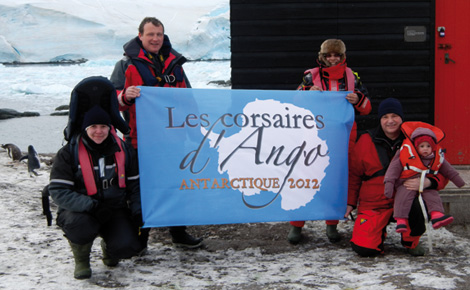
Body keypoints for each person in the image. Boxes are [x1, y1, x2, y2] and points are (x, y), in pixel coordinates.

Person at [109, 17, 202, 249]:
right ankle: (141, 237)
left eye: (159, 34)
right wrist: (124, 96)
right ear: (140, 36)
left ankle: (178, 232)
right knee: (141, 190)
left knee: (174, 186)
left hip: (172, 140)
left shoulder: (175, 64)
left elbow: (187, 99)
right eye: (150, 34)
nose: (155, 39)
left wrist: (195, 133)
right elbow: (112, 99)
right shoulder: (126, 65)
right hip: (140, 141)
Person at [288, 39, 372, 244]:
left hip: (343, 136)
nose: (332, 59)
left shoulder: (353, 77)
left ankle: (331, 225)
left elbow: (367, 107)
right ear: (322, 57)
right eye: (328, 55)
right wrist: (307, 93)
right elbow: (293, 101)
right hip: (312, 136)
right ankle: (296, 225)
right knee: (304, 179)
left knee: (335, 181)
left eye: (336, 55)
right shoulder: (310, 76)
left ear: (342, 57)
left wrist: (358, 100)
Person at [345, 98, 449, 257]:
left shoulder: (418, 141)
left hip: (405, 199)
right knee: (364, 249)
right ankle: (377, 233)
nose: (390, 121)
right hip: (374, 203)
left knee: (421, 205)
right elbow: (354, 175)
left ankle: (410, 240)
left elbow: (441, 170)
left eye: (395, 116)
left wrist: (428, 182)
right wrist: (350, 202)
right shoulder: (365, 140)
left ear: (402, 118)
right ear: (380, 120)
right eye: (385, 117)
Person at [49, 105, 144, 279]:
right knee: (80, 226)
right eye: (93, 127)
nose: (98, 131)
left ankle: (110, 248)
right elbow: (58, 190)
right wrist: (92, 206)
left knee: (128, 246)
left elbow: (135, 186)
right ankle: (82, 261)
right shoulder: (68, 153)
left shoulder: (124, 151)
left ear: (110, 128)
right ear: (85, 129)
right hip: (81, 210)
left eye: (103, 127)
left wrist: (137, 210)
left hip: (114, 208)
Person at [384, 123, 465, 233]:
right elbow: (392, 170)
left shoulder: (436, 157)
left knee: (433, 195)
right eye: (422, 146)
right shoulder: (404, 153)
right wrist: (389, 184)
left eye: (428, 146)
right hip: (406, 182)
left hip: (426, 182)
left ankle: (437, 215)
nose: (425, 149)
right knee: (402, 198)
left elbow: (449, 170)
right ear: (416, 147)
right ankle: (401, 220)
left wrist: (459, 182)